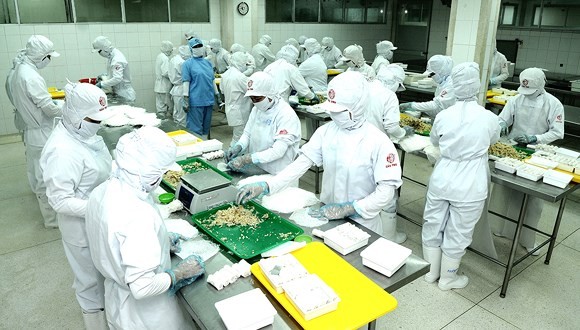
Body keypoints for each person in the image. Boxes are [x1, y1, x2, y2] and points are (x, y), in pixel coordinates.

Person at [236, 71, 402, 235]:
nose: (334, 115)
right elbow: (299, 165)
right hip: (326, 214)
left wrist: (349, 209)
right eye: (332, 110)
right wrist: (268, 186)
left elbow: (386, 193)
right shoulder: (326, 132)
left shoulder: (378, 142)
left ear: (357, 108)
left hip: (363, 223)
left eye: (339, 111)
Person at [85, 126, 204, 329]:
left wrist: (159, 240)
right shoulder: (137, 214)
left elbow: (116, 244)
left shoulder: (102, 191)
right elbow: (142, 287)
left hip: (118, 302)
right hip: (149, 315)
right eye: (162, 172)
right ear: (150, 173)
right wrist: (179, 274)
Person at [40, 82, 115, 329]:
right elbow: (60, 200)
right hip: (80, 228)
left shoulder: (84, 133)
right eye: (93, 120)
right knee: (89, 283)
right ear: (74, 116)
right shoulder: (63, 150)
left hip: (100, 217)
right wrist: (99, 207)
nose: (98, 124)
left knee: (104, 275)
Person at [421, 62, 500, 291]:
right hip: (470, 182)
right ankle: (447, 279)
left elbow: (435, 141)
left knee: (433, 223)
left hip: (442, 178)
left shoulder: (444, 115)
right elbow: (492, 141)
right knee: (459, 231)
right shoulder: (488, 118)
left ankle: (430, 272)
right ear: (477, 86)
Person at [492, 67, 564, 254]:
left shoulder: (553, 104)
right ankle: (500, 228)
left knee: (532, 201)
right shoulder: (516, 99)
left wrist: (535, 138)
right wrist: (500, 125)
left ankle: (527, 239)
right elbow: (503, 119)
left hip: (539, 154)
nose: (527, 94)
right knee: (504, 192)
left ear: (541, 85)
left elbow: (557, 132)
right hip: (513, 150)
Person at [5, 35, 62, 228]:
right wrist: (67, 109)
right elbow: (47, 106)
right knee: (45, 175)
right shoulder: (30, 76)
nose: (49, 61)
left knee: (35, 167)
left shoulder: (20, 70)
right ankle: (52, 220)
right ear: (41, 56)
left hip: (32, 127)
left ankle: (50, 215)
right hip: (39, 130)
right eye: (49, 57)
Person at [364, 66, 413, 243]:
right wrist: (403, 133)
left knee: (363, 189)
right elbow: (392, 126)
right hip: (378, 148)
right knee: (387, 193)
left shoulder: (364, 86)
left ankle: (365, 232)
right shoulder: (388, 95)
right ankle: (389, 237)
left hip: (358, 144)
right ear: (393, 82)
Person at [225, 71, 301, 176]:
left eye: (258, 98)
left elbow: (278, 151)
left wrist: (248, 159)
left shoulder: (286, 114)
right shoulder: (257, 109)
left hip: (278, 172)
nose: (255, 102)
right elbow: (247, 134)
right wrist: (239, 146)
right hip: (258, 167)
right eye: (252, 98)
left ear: (270, 94)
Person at [182, 37, 217, 139]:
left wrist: (217, 95)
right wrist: (185, 98)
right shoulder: (187, 64)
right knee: (195, 128)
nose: (198, 48)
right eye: (195, 46)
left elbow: (212, 79)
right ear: (191, 49)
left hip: (208, 100)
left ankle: (205, 146)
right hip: (195, 101)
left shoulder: (207, 63)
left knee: (206, 128)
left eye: (200, 46)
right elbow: (186, 81)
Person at [92, 36, 136, 103]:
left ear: (105, 49)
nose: (99, 54)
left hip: (124, 93)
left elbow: (117, 78)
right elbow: (115, 72)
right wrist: (106, 75)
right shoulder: (111, 56)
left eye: (99, 51)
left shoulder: (117, 59)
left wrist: (101, 84)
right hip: (119, 91)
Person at [221, 52, 253, 146]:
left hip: (231, 110)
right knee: (240, 138)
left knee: (237, 136)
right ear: (240, 62)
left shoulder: (225, 74)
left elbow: (222, 91)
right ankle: (233, 156)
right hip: (240, 111)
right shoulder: (240, 76)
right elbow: (251, 91)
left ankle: (234, 154)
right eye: (245, 64)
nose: (245, 66)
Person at [168, 45, 191, 127]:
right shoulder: (182, 62)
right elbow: (187, 77)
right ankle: (183, 133)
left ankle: (177, 130)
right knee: (182, 116)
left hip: (176, 89)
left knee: (177, 113)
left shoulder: (174, 59)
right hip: (181, 89)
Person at [154, 40, 174, 119]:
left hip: (158, 86)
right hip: (164, 87)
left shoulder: (159, 56)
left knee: (160, 107)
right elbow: (165, 73)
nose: (172, 51)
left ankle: (162, 125)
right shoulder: (165, 58)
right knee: (169, 106)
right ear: (168, 49)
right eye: (171, 49)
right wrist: (174, 76)